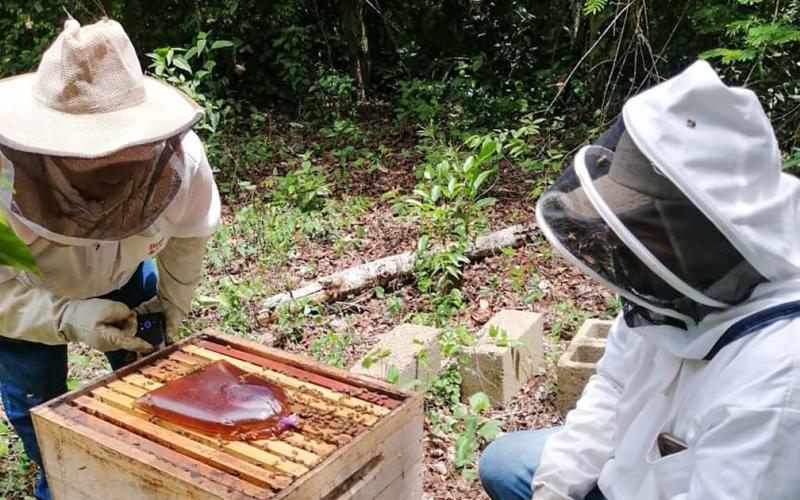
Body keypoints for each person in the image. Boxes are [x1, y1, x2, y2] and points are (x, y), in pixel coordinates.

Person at [479, 60, 800, 500]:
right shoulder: (672, 287)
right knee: (510, 463)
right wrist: (552, 490)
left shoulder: (778, 382)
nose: (618, 244)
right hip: (639, 468)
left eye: (637, 224)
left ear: (701, 236)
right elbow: (612, 384)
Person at [0, 19, 221, 500]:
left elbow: (188, 237)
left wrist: (172, 303)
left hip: (125, 274)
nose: (107, 171)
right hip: (26, 291)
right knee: (38, 404)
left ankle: (157, 475)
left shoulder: (183, 162)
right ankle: (59, 481)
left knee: (154, 376)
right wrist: (65, 317)